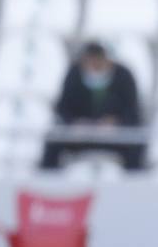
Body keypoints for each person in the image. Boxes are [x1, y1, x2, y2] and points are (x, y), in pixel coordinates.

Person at [43, 41, 145, 171]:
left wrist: (116, 123)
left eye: (98, 64)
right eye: (90, 63)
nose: (94, 68)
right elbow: (62, 108)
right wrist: (75, 123)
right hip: (80, 135)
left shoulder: (124, 75)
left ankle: (134, 185)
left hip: (115, 136)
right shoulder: (74, 74)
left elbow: (133, 111)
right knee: (53, 140)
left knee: (135, 144)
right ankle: (47, 184)